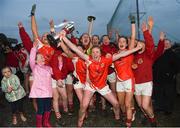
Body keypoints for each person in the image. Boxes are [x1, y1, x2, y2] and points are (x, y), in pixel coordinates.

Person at [59, 30, 142, 127]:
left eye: (97, 52)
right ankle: (80, 123)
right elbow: (75, 49)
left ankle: (117, 118)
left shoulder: (105, 60)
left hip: (102, 86)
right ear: (91, 53)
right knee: (84, 106)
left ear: (100, 53)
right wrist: (64, 38)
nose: (95, 54)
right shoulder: (88, 59)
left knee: (116, 104)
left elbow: (122, 54)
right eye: (93, 52)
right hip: (90, 86)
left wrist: (136, 48)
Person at [132, 17, 165, 127]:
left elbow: (151, 45)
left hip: (146, 83)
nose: (140, 45)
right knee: (141, 105)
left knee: (145, 105)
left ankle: (152, 119)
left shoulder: (148, 55)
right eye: (138, 44)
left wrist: (146, 31)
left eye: (142, 44)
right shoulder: (134, 56)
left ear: (145, 46)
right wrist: (132, 66)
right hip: (136, 84)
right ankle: (146, 116)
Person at [113, 16, 136, 127]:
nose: (122, 43)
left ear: (127, 44)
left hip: (129, 81)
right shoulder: (115, 55)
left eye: (124, 41)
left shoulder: (129, 51)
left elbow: (133, 37)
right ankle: (127, 113)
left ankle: (128, 122)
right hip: (119, 82)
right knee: (121, 103)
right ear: (118, 44)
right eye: (120, 41)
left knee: (127, 104)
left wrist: (132, 23)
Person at [29, 40, 53, 127]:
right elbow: (31, 59)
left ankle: (46, 122)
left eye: (43, 57)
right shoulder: (34, 68)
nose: (42, 58)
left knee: (48, 108)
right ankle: (39, 124)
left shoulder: (49, 68)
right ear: (36, 61)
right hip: (40, 93)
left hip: (48, 92)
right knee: (41, 109)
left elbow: (56, 73)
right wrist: (34, 49)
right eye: (40, 57)